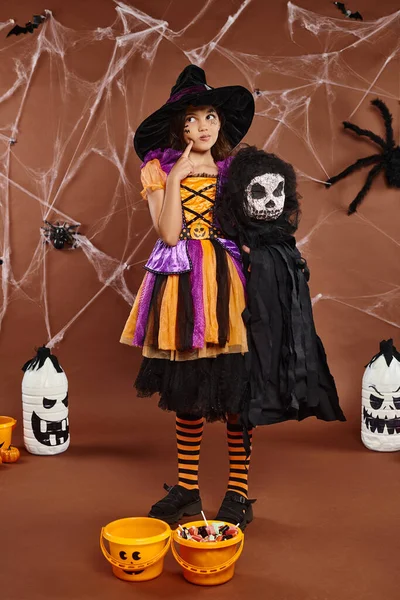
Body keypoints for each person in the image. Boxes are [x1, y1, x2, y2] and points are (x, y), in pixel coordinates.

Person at [120, 65, 256, 529]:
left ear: (220, 122)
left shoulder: (234, 169)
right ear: (179, 128)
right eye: (192, 120)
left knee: (235, 383)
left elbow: (250, 225)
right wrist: (178, 174)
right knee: (188, 389)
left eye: (210, 117)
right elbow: (170, 234)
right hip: (180, 281)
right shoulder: (158, 169)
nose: (203, 127)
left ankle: (238, 490)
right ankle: (187, 489)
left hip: (227, 278)